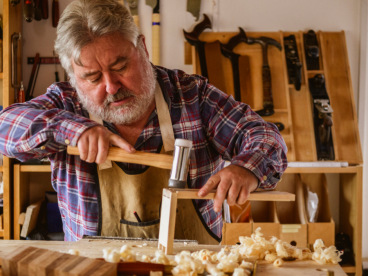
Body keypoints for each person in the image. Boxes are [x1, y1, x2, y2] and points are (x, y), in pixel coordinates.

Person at [0, 0, 287, 242]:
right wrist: (71, 129)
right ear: (74, 78)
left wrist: (246, 167)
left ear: (143, 48)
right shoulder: (65, 103)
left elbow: (264, 136)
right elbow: (5, 127)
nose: (112, 86)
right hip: (94, 270)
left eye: (120, 67)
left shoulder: (192, 96)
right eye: (93, 78)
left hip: (192, 268)